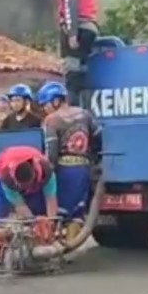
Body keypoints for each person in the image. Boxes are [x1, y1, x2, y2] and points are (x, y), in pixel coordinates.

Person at [0, 84, 42, 268]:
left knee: (32, 210)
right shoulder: (7, 121)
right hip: (7, 170)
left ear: (26, 101)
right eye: (13, 100)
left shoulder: (36, 121)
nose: (14, 103)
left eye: (18, 99)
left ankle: (34, 245)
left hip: (29, 171)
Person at [39, 0, 99, 106]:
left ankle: (73, 114)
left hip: (78, 27)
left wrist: (72, 33)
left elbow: (70, 3)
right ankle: (84, 109)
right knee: (80, 73)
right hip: (89, 27)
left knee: (71, 75)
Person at [39, 81, 99, 240]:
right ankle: (71, 245)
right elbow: (98, 137)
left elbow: (51, 151)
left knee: (59, 211)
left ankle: (58, 246)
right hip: (83, 169)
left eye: (45, 104)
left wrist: (46, 173)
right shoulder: (85, 114)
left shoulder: (51, 120)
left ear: (56, 101)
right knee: (77, 212)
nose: (44, 109)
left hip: (63, 171)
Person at [0, 144, 59, 244]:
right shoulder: (6, 177)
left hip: (30, 156)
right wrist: (33, 222)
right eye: (23, 187)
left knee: (39, 207)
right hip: (3, 161)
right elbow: (20, 205)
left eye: (28, 186)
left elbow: (51, 198)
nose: (27, 189)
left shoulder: (46, 171)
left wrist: (50, 222)